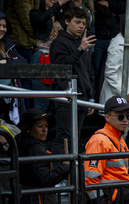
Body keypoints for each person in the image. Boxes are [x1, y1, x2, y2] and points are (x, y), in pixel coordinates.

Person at [50, 7, 95, 154]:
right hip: (65, 97)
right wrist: (80, 50)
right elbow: (62, 68)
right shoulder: (59, 42)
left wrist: (91, 98)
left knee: (75, 138)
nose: (81, 26)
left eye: (83, 23)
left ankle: (70, 173)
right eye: (77, 22)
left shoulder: (81, 44)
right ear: (67, 21)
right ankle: (58, 174)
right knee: (63, 137)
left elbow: (89, 73)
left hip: (82, 98)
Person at [100, 12, 129, 139]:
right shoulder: (118, 42)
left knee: (121, 141)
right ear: (124, 25)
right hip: (117, 98)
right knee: (113, 140)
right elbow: (110, 73)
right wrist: (125, 92)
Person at [0, 10, 27, 121]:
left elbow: (24, 62)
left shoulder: (8, 45)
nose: (2, 29)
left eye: (4, 26)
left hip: (10, 95)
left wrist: (5, 62)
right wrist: (11, 61)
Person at [29, 0, 67, 111]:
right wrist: (60, 4)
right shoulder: (35, 13)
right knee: (41, 104)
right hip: (42, 56)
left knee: (58, 105)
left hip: (59, 60)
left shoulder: (62, 16)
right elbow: (42, 19)